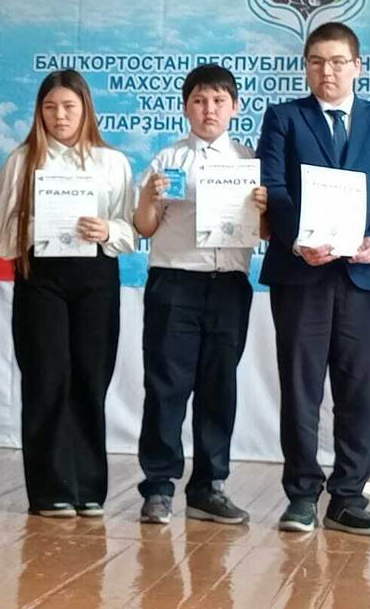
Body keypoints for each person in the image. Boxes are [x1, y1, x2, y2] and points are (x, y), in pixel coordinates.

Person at [256, 21, 370, 535]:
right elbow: (274, 187)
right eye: (317, 62)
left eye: (339, 62)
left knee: (359, 390)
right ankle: (302, 494)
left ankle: (348, 497)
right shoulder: (284, 118)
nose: (328, 71)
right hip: (301, 273)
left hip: (365, 274)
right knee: (301, 388)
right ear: (306, 67)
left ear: (357, 67)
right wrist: (297, 240)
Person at [0, 69, 134, 518]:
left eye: (69, 106)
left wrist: (107, 229)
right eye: (50, 107)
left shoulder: (113, 162)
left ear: (86, 109)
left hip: (97, 279)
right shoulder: (22, 161)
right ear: (39, 112)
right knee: (46, 378)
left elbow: (130, 230)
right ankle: (49, 489)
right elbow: (1, 239)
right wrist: (38, 226)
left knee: (91, 379)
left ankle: (89, 488)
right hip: (41, 279)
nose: (60, 116)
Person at [133, 64, 269, 525]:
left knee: (218, 387)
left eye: (218, 101)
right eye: (199, 101)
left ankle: (210, 486)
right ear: (186, 107)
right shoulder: (168, 160)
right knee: (166, 387)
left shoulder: (250, 162)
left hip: (228, 285)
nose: (209, 109)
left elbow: (266, 232)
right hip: (176, 282)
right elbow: (144, 227)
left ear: (235, 107)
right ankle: (158, 486)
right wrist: (150, 197)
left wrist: (264, 208)